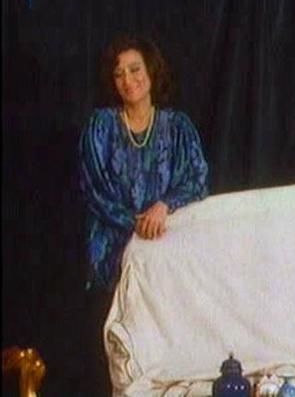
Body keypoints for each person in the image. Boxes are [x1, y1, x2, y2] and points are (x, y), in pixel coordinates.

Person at [78, 35, 209, 393]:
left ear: (151, 72)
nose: (128, 79)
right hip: (112, 261)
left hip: (165, 263)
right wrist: (137, 225)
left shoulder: (177, 127)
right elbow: (94, 189)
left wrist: (164, 206)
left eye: (135, 69)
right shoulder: (101, 126)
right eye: (118, 73)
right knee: (116, 363)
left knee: (165, 362)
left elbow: (198, 180)